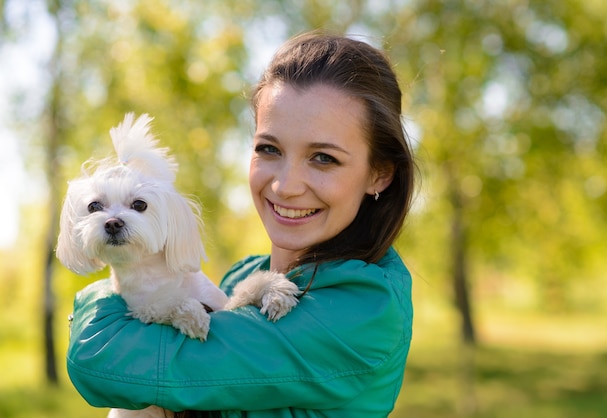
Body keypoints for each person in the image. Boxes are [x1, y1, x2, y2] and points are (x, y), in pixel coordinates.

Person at [66, 30, 419, 417]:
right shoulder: (244, 275)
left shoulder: (364, 306)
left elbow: (103, 362)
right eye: (269, 149)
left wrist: (97, 300)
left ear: (379, 174)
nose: (285, 186)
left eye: (323, 158)